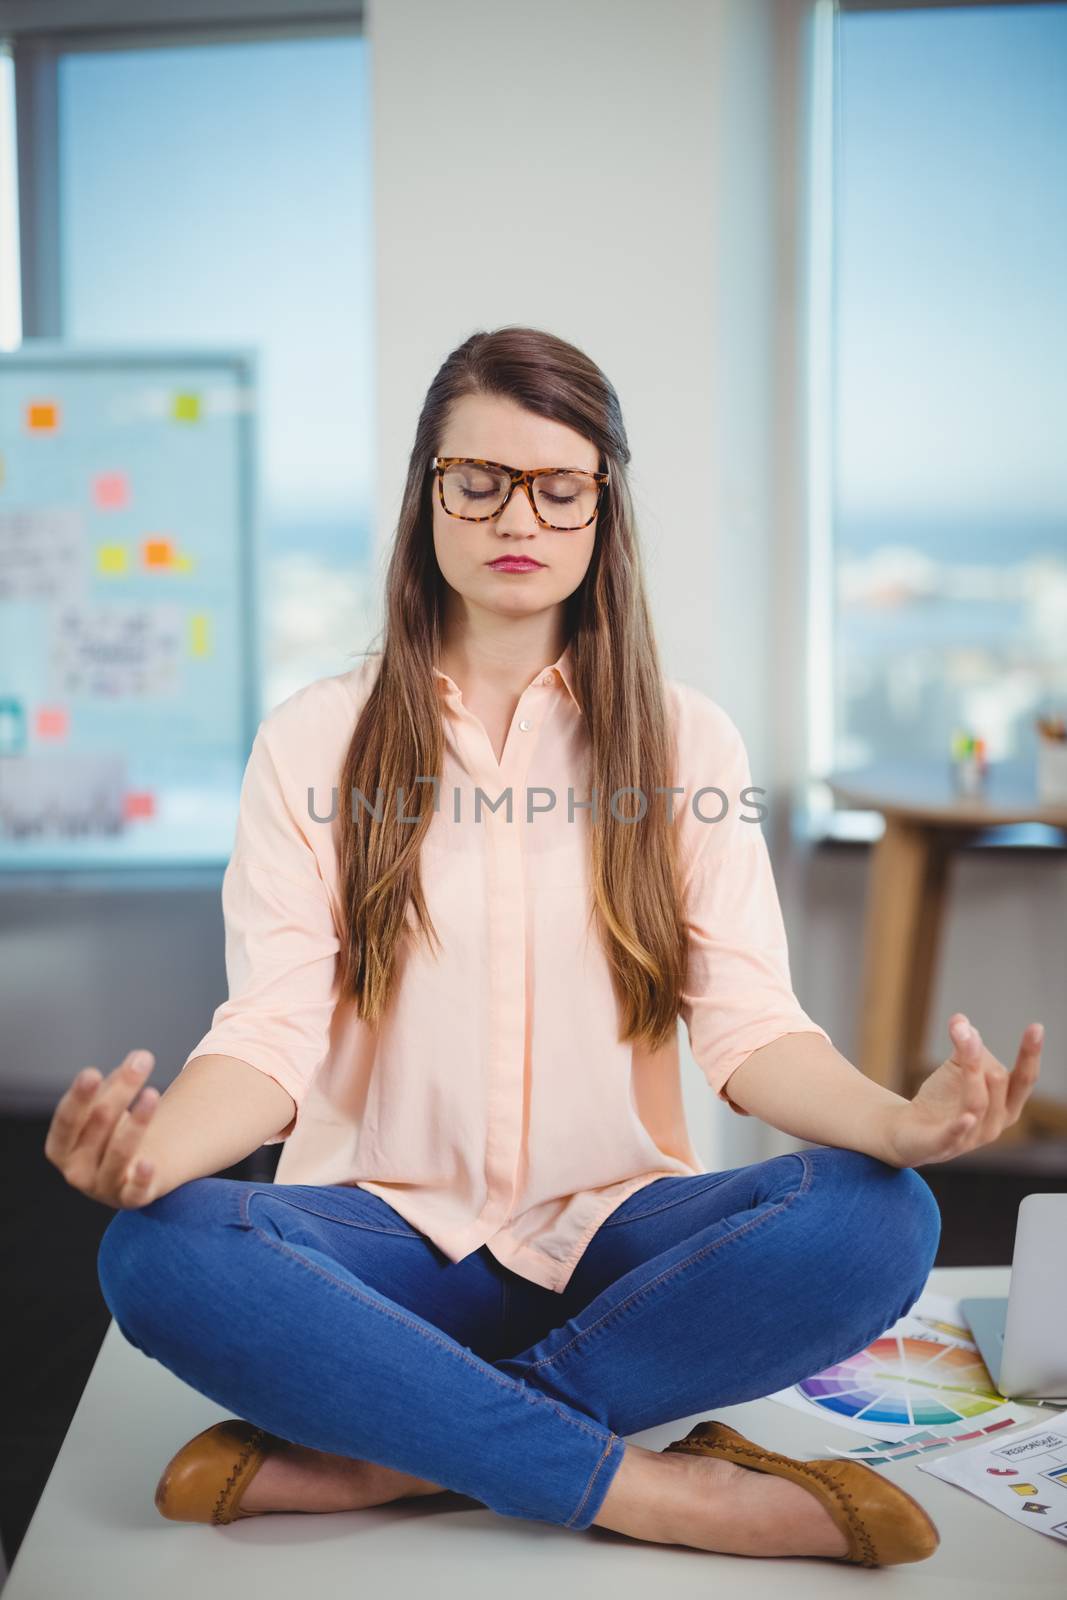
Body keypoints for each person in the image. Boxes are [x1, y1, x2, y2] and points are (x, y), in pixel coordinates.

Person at [47, 326, 1042, 1566]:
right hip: (382, 1245)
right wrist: (150, 1161)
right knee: (158, 1249)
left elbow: (747, 1026)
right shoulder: (311, 743)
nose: (516, 512)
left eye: (557, 485)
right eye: (479, 478)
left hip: (618, 1243)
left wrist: (900, 1123)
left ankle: (393, 1451)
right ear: (428, 497)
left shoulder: (685, 744)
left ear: (598, 508)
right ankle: (655, 1492)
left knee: (880, 1218)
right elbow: (270, 1034)